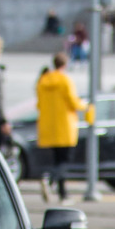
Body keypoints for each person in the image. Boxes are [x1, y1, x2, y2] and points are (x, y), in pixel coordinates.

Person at [35, 52, 87, 200]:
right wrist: (85, 106)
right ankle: (50, 180)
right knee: (64, 161)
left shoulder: (43, 80)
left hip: (47, 126)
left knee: (56, 159)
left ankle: (62, 193)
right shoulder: (65, 80)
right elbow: (73, 101)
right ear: (65, 64)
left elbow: (39, 103)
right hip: (64, 126)